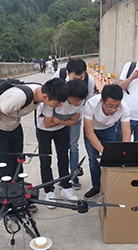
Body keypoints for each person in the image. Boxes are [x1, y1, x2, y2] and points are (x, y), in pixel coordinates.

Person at [0, 78, 68, 180]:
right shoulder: (19, 98)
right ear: (45, 97)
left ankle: (19, 191)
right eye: (57, 103)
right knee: (5, 167)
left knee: (18, 163)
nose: (59, 105)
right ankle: (8, 192)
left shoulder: (40, 92)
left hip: (15, 126)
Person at [35, 79, 88, 208]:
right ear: (68, 96)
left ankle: (65, 187)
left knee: (63, 158)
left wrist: (57, 120)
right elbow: (47, 124)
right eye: (76, 101)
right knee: (46, 160)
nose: (79, 103)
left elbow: (75, 121)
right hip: (43, 130)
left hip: (60, 130)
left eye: (82, 100)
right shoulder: (56, 101)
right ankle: (49, 191)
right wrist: (65, 121)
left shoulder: (79, 101)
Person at [52, 59, 95, 189]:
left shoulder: (89, 81)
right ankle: (64, 177)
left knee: (73, 145)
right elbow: (50, 97)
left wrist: (79, 117)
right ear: (67, 73)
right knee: (62, 146)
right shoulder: (58, 77)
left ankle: (74, 175)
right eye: (75, 78)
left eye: (81, 77)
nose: (79, 81)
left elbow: (86, 103)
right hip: (59, 115)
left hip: (76, 116)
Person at [83, 85, 131, 199]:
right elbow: (89, 133)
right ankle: (96, 186)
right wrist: (103, 152)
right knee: (93, 159)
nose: (114, 110)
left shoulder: (124, 107)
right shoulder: (91, 104)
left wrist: (125, 150)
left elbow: (126, 130)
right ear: (102, 101)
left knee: (113, 159)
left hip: (108, 129)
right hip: (92, 129)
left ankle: (111, 186)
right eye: (110, 106)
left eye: (116, 106)